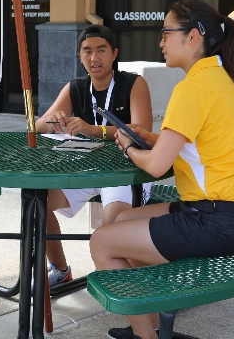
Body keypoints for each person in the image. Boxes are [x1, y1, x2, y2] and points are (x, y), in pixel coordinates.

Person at [90, 0, 234, 339]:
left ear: (193, 36)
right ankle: (152, 322)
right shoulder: (221, 78)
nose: (161, 42)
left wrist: (126, 145)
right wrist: (152, 136)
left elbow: (155, 167)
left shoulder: (192, 88)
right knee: (123, 221)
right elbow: (196, 142)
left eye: (167, 33)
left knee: (102, 242)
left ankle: (146, 336)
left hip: (215, 221)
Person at [35, 24, 153, 287]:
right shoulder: (75, 87)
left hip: (127, 169)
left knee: (112, 229)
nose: (94, 58)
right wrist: (52, 120)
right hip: (86, 168)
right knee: (35, 204)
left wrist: (95, 130)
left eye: (101, 50)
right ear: (79, 56)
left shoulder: (133, 83)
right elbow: (37, 126)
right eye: (87, 51)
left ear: (114, 53)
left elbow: (143, 132)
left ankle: (137, 289)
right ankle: (61, 269)